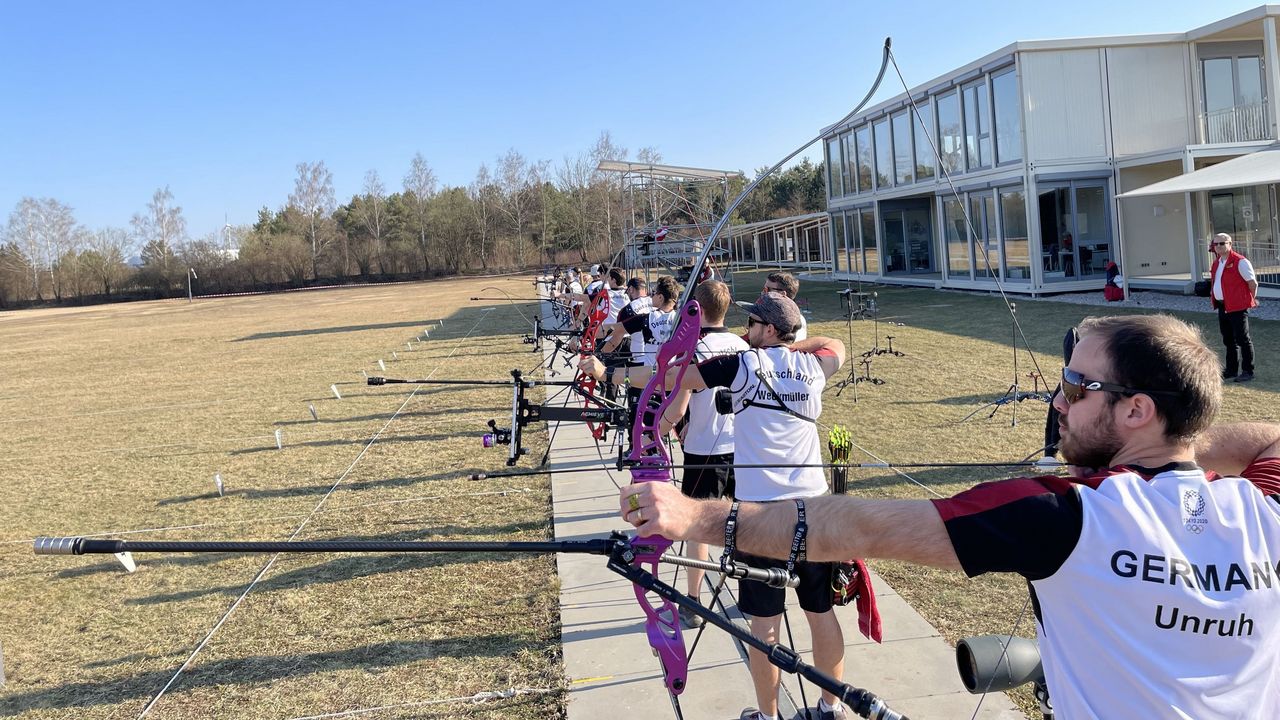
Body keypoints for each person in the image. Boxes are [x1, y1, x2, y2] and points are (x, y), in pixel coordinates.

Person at [622, 314, 1280, 720]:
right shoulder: (1265, 512)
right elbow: (1270, 438)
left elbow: (859, 527)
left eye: (1078, 388)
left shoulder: (1067, 515)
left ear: (1137, 411)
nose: (1059, 400)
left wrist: (692, 517)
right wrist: (1173, 450)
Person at [653, 292, 849, 720]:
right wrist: (792, 347)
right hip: (815, 511)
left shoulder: (744, 365)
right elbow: (836, 344)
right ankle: (829, 709)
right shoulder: (815, 368)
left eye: (755, 323)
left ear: (770, 330)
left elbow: (676, 380)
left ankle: (768, 715)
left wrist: (655, 374)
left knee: (765, 625)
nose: (748, 330)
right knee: (821, 612)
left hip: (763, 518)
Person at [655, 280, 749, 629]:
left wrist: (655, 431)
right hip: (742, 448)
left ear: (697, 309)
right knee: (745, 521)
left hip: (701, 451)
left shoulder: (694, 350)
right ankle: (751, 596)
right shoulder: (744, 345)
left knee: (698, 526)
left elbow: (677, 410)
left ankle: (693, 604)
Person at [1209, 233, 1259, 382]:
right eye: (1215, 244)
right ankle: (1231, 370)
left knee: (1243, 339)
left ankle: (1248, 371)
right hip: (1222, 306)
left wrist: (1251, 299)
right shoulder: (1217, 263)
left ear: (1230, 244)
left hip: (1237, 307)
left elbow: (1252, 283)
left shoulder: (1240, 262)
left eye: (1222, 243)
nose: (1218, 246)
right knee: (1228, 340)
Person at [762, 271, 807, 341]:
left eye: (767, 290)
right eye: (764, 289)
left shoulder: (795, 320)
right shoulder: (768, 315)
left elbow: (791, 347)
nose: (763, 292)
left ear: (782, 294)